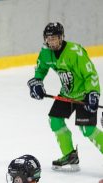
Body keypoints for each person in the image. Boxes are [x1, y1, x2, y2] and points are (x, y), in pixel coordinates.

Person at [27, 22, 103, 171]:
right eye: (49, 39)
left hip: (84, 94)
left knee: (87, 129)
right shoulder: (45, 52)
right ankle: (69, 155)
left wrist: (93, 93)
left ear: (61, 38)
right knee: (55, 121)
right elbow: (41, 70)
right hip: (66, 94)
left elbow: (90, 74)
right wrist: (37, 82)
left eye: (55, 38)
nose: (52, 42)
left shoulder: (75, 52)